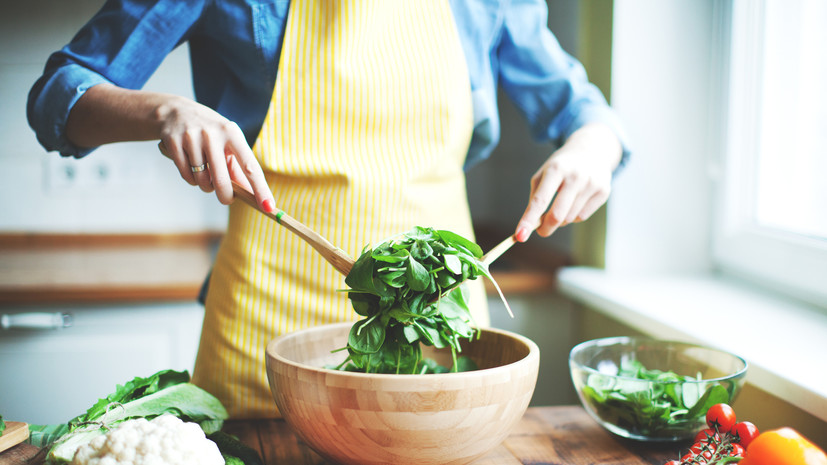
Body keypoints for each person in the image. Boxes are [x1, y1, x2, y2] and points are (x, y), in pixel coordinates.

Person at [28, 0, 628, 418]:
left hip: (441, 327)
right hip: (263, 338)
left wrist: (593, 147)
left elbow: (583, 111)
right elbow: (58, 93)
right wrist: (166, 112)